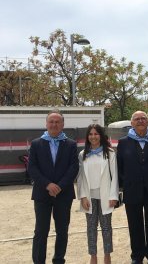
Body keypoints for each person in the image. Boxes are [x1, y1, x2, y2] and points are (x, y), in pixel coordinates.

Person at [116, 111, 148, 264]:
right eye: (137, 119)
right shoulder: (124, 142)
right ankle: (137, 256)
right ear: (131, 123)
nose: (140, 121)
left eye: (143, 118)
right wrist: (127, 182)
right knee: (134, 225)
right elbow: (120, 166)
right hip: (132, 190)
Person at [28, 109, 79, 264]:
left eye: (57, 122)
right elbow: (32, 168)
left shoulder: (71, 144)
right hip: (42, 194)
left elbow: (73, 168)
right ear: (46, 123)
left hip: (64, 194)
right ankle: (39, 261)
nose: (54, 124)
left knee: (62, 231)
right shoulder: (36, 144)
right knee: (40, 231)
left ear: (62, 124)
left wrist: (60, 186)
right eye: (51, 121)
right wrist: (48, 185)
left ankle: (58, 260)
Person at [77, 124, 119, 264]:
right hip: (89, 196)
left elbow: (115, 176)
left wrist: (114, 196)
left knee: (106, 227)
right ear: (87, 137)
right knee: (91, 228)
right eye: (90, 134)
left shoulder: (110, 153)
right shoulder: (83, 155)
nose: (93, 136)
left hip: (106, 195)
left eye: (96, 134)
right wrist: (83, 197)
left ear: (101, 135)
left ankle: (107, 255)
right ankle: (93, 256)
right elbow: (81, 177)